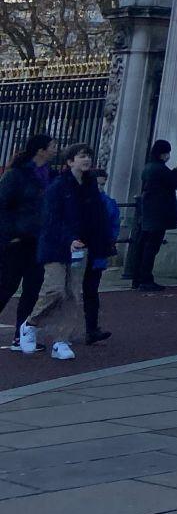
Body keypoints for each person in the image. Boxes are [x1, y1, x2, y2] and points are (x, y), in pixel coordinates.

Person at [24, 144, 111, 360]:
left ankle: (61, 340)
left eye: (88, 156)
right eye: (82, 156)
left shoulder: (91, 186)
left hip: (81, 247)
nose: (86, 160)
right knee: (55, 290)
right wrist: (69, 239)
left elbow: (96, 218)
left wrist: (102, 244)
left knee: (73, 294)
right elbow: (52, 219)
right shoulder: (58, 187)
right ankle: (31, 323)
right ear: (70, 161)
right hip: (56, 246)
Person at [0, 134, 55, 353]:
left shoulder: (50, 175)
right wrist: (9, 234)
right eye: (52, 146)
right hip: (16, 241)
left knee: (33, 289)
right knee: (5, 286)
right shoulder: (16, 175)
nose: (55, 149)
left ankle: (20, 335)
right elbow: (2, 206)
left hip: (38, 240)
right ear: (40, 150)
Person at [130, 140, 177, 290]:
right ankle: (145, 279)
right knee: (151, 247)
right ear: (163, 153)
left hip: (149, 212)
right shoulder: (159, 169)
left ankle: (137, 278)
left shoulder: (149, 167)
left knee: (143, 246)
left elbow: (167, 180)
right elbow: (174, 183)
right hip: (158, 213)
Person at [82, 166, 117, 347]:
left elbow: (113, 228)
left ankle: (92, 329)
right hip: (81, 251)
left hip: (97, 252)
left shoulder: (108, 203)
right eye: (98, 184)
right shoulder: (83, 201)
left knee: (91, 292)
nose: (101, 188)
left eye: (103, 184)